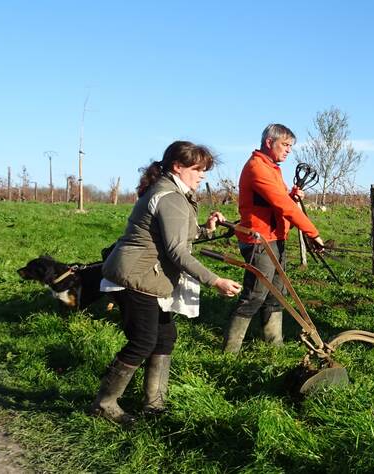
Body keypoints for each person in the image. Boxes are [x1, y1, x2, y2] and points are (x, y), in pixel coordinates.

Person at [91, 141, 242, 423]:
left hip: (148, 275)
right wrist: (215, 280)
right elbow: (176, 250)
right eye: (198, 169)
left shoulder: (173, 193)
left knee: (165, 336)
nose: (202, 175)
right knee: (143, 340)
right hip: (135, 276)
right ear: (178, 167)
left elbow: (176, 236)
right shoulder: (170, 196)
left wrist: (206, 230)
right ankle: (104, 403)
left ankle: (154, 403)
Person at [222, 123, 324, 353]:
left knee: (277, 292)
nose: (288, 150)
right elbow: (283, 206)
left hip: (275, 237)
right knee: (255, 294)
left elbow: (277, 200)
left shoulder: (271, 168)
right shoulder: (257, 168)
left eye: (290, 146)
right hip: (259, 240)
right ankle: (230, 351)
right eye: (285, 145)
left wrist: (291, 195)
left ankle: (274, 345)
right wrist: (313, 233)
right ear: (269, 142)